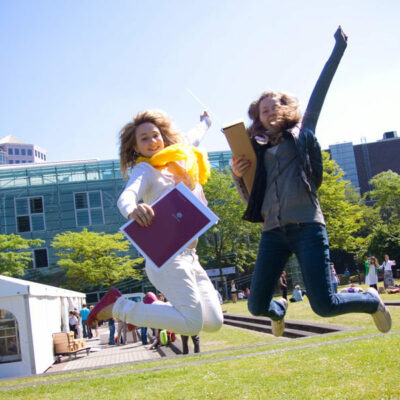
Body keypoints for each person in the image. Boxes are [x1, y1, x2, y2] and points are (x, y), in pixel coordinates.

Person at [230, 26, 391, 336]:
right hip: (273, 232)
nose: (271, 110)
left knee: (324, 305)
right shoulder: (255, 152)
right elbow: (250, 199)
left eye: (277, 105)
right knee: (256, 305)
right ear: (258, 119)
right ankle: (279, 311)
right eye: (264, 110)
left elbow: (321, 89)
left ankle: (370, 301)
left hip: (307, 227)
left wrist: (338, 50)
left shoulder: (302, 134)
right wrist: (238, 176)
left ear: (287, 109)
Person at [87, 110, 223, 338]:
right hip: (168, 258)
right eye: (144, 139)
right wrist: (133, 210)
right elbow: (126, 197)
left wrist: (206, 121)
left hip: (191, 256)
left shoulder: (181, 155)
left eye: (155, 135)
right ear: (135, 148)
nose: (152, 142)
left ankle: (150, 306)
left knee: (213, 322)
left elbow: (194, 135)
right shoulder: (146, 170)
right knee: (191, 325)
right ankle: (118, 306)